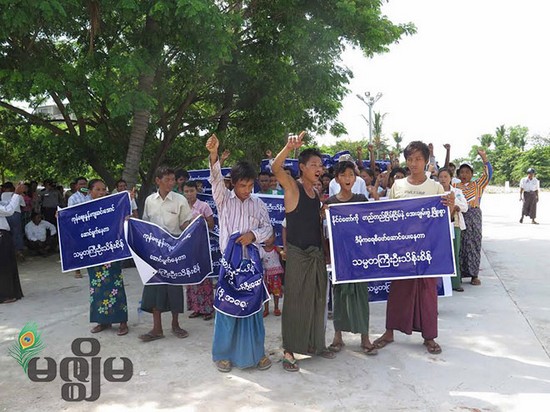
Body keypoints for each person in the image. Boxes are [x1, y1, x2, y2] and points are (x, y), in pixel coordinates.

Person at [373, 141, 455, 355]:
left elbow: (443, 219)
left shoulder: (435, 187)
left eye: (418, 159)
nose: (414, 163)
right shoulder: (397, 187)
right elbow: (388, 217)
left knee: (428, 292)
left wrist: (452, 206)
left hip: (426, 250)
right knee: (398, 290)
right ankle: (389, 332)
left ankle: (429, 336)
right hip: (401, 249)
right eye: (410, 159)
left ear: (426, 161)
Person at [206, 133, 273, 373]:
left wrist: (253, 235)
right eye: (242, 185)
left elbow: (269, 229)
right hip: (229, 267)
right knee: (228, 308)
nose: (246, 189)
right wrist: (214, 155)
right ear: (233, 183)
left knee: (253, 310)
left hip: (253, 268)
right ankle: (222, 355)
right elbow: (215, 179)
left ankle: (257, 354)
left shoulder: (259, 204)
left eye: (250, 185)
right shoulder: (224, 201)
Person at [273, 132, 335, 373]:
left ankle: (314, 344)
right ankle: (289, 350)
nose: (319, 168)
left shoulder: (316, 193)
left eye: (320, 165)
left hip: (317, 255)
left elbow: (316, 224)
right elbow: (276, 167)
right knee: (295, 303)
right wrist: (289, 147)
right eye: (313, 165)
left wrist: (326, 251)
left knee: (317, 300)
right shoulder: (293, 188)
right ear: (302, 167)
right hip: (298, 255)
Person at [325, 161, 377, 356]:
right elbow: (326, 232)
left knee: (361, 296)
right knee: (339, 296)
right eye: (344, 175)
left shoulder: (361, 200)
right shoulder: (330, 203)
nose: (348, 179)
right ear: (337, 178)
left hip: (359, 255)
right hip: (340, 255)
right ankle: (337, 337)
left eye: (351, 175)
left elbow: (370, 226)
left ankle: (365, 337)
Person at [139, 166, 192, 342]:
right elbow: (145, 224)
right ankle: (157, 328)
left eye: (173, 179)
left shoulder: (180, 200)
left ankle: (176, 325)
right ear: (158, 181)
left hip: (174, 249)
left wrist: (194, 226)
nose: (171, 183)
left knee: (174, 287)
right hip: (154, 250)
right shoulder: (149, 201)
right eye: (167, 179)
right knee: (154, 287)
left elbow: (185, 223)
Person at [85, 179, 129, 336]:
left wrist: (126, 219)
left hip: (112, 253)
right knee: (97, 288)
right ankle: (102, 321)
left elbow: (123, 223)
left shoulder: (113, 207)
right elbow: (75, 228)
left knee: (116, 285)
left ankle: (122, 321)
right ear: (90, 192)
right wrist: (61, 218)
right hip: (94, 255)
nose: (102, 192)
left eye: (104, 189)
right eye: (98, 189)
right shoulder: (84, 210)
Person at [454, 149, 493, 286]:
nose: (464, 174)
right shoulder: (454, 186)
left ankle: (474, 275)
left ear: (471, 174)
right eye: (462, 172)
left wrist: (484, 158)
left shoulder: (478, 185)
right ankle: (459, 274)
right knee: (460, 244)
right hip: (459, 216)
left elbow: (488, 175)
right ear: (458, 174)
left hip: (474, 216)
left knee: (474, 244)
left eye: (467, 172)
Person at [183, 180, 216, 321]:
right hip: (187, 246)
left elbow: (212, 225)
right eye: (186, 191)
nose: (189, 194)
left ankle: (208, 309)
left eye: (191, 191)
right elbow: (180, 225)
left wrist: (201, 220)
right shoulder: (182, 207)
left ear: (196, 191)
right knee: (191, 277)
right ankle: (196, 308)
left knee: (204, 277)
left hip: (202, 245)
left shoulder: (204, 206)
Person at [438, 168, 468, 292]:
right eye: (441, 177)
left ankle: (455, 283)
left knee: (454, 253)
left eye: (446, 177)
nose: (443, 179)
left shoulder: (457, 192)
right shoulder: (435, 191)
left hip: (454, 225)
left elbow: (465, 207)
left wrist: (454, 205)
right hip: (438, 227)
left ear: (451, 178)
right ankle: (441, 284)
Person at [0, 183, 25, 304]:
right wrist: (16, 194)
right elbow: (9, 211)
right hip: (1, 235)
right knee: (4, 265)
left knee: (8, 264)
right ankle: (5, 295)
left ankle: (11, 292)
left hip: (4, 234)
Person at [260, 235, 284, 317]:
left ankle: (276, 308)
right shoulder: (261, 250)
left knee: (276, 292)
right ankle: (266, 309)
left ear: (274, 238)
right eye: (265, 237)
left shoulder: (276, 248)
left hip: (275, 275)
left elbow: (282, 253)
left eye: (269, 237)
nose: (267, 240)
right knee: (266, 293)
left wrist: (282, 253)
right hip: (266, 276)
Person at [1, 182, 26, 260]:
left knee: (7, 234)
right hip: (15, 214)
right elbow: (23, 205)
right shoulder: (18, 195)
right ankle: (19, 251)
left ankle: (9, 251)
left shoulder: (3, 195)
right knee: (17, 233)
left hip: (5, 215)